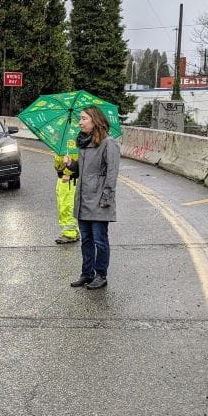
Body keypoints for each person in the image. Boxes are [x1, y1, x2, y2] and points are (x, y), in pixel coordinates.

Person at [64, 106, 120, 290]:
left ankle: (101, 275)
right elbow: (82, 171)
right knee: (86, 240)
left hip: (99, 200)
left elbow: (112, 173)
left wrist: (106, 198)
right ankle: (86, 273)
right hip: (83, 199)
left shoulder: (108, 143)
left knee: (99, 240)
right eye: (80, 119)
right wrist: (71, 164)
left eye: (84, 119)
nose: (80, 122)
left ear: (95, 120)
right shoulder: (83, 143)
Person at [53, 150, 79, 244]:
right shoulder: (61, 144)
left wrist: (68, 172)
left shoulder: (69, 142)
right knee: (63, 205)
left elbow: (75, 158)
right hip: (62, 178)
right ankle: (73, 231)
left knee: (67, 206)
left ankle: (70, 234)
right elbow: (58, 165)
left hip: (68, 179)